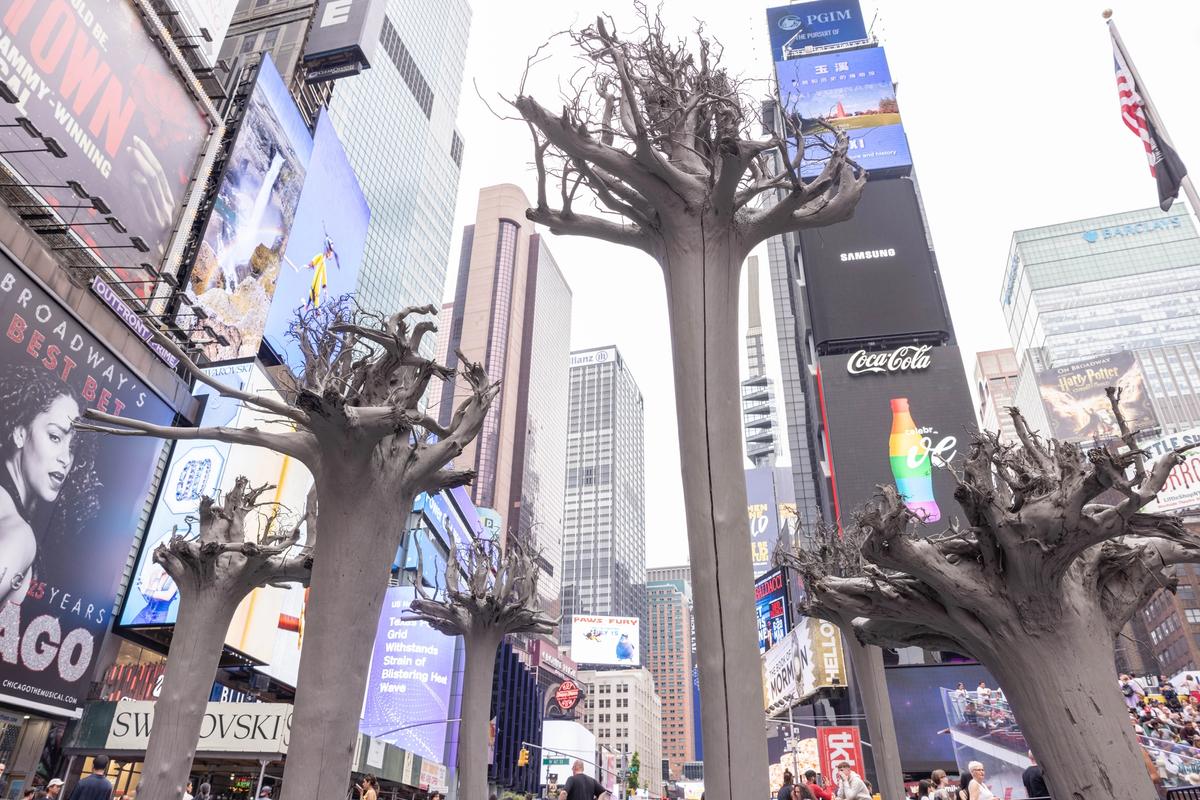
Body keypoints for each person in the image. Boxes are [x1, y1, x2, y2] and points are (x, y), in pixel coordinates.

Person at [0, 367, 99, 606]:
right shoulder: (19, 536)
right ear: (20, 433)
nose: (65, 458)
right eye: (55, 437)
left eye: (72, 447)